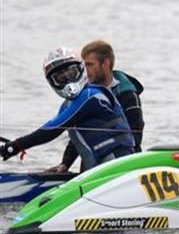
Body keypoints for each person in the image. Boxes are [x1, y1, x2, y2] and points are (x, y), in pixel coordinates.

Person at [0, 47, 135, 169]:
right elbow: (75, 136)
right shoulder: (67, 106)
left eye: (70, 73)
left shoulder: (91, 96)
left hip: (118, 162)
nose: (68, 80)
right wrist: (65, 164)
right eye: (60, 78)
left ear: (81, 69)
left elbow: (52, 129)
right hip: (97, 166)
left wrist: (14, 147)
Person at [46, 40, 144, 173]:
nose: (85, 70)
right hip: (92, 165)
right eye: (83, 65)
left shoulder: (127, 95)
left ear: (106, 64)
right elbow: (80, 131)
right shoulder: (86, 93)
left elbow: (136, 137)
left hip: (122, 165)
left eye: (90, 65)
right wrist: (65, 164)